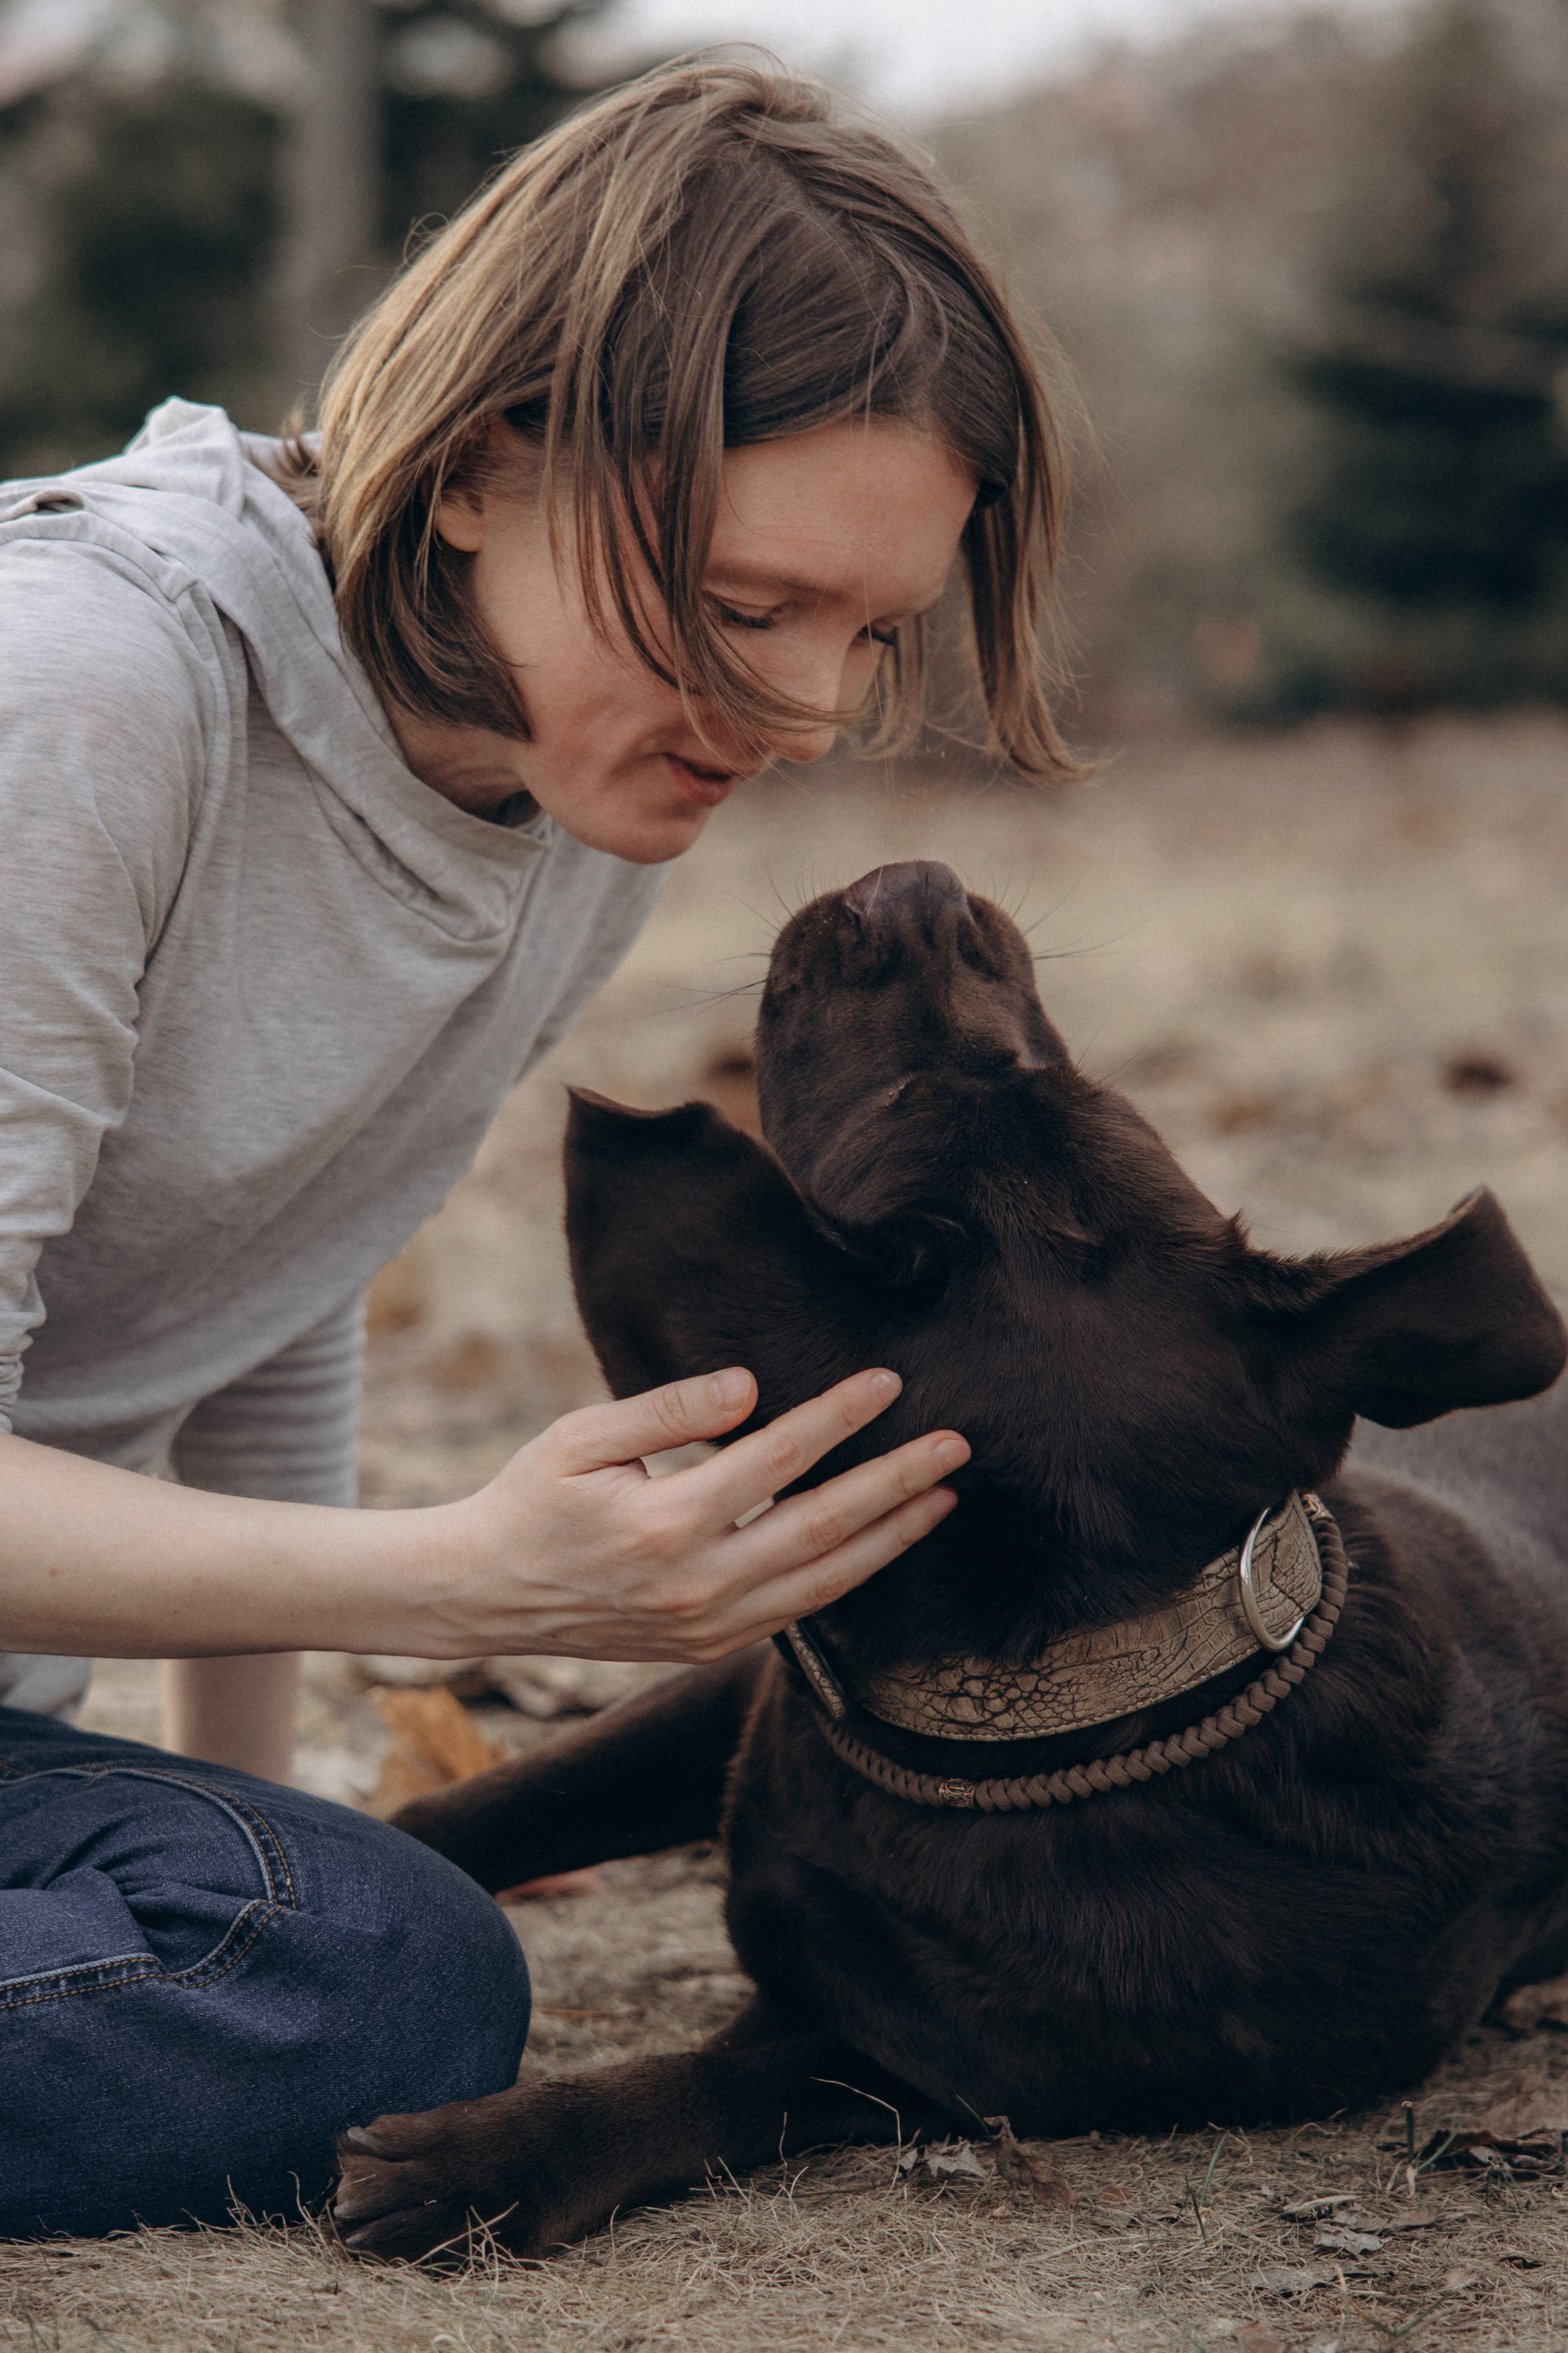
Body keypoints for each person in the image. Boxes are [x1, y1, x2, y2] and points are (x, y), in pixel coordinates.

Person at [0, 59, 1073, 2237]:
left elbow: (272, 1285)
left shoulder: (571, 778)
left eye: (867, 633)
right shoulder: (86, 702)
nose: (802, 713)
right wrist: (463, 1580)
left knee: (365, 1943)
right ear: (495, 458)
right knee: (373, 1985)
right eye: (753, 604)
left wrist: (254, 1803)